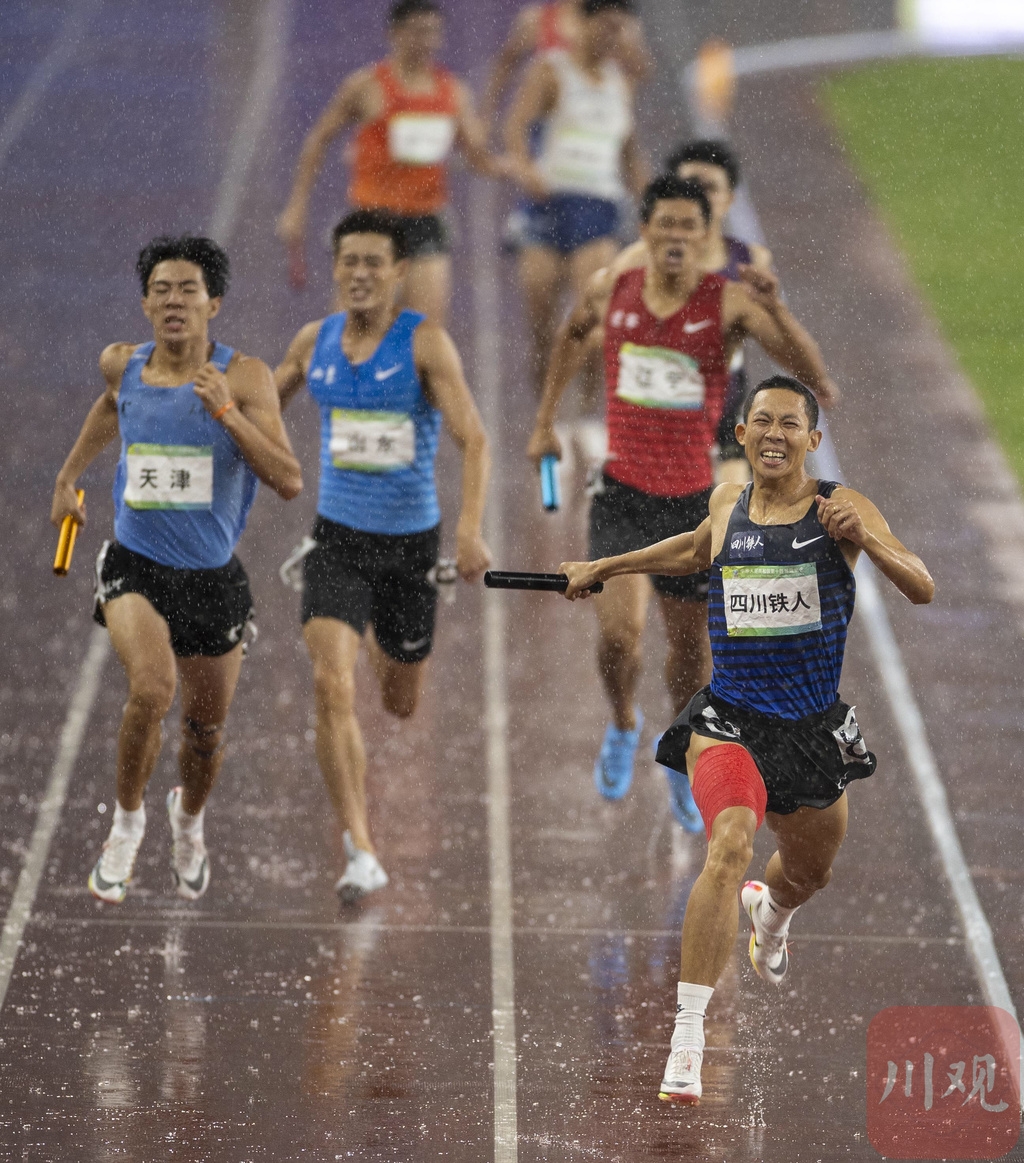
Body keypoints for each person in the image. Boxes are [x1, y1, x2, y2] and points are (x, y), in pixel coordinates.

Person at [558, 375, 934, 1103]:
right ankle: (688, 1038)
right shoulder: (727, 504)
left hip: (810, 732)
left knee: (809, 872)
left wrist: (871, 547)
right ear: (740, 434)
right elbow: (695, 550)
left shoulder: (840, 508)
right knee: (729, 841)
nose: (773, 434)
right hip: (729, 722)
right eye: (761, 421)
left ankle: (774, 913)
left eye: (789, 424)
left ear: (813, 440)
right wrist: (603, 567)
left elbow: (921, 585)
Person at [527, 174, 840, 822]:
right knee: (619, 636)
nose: (674, 237)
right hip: (621, 495)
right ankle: (621, 721)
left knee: (690, 656)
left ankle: (678, 748)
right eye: (663, 224)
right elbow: (572, 333)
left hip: (694, 504)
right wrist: (544, 421)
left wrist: (777, 310)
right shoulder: (612, 287)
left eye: (687, 228)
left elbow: (815, 378)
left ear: (705, 239)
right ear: (645, 231)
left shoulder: (727, 304)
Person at [50, 235, 303, 904]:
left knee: (205, 732)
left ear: (213, 303)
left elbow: (288, 478)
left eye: (187, 289)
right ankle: (126, 827)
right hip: (135, 563)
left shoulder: (244, 377)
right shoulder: (121, 364)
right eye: (160, 289)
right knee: (151, 691)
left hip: (213, 580)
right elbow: (111, 407)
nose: (173, 300)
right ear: (144, 303)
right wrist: (69, 474)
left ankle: (187, 820)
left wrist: (224, 412)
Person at [274, 209, 491, 904]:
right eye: (350, 262)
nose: (361, 274)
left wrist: (470, 529)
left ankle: (375, 635)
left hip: (410, 548)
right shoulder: (315, 343)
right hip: (337, 542)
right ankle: (360, 846)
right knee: (332, 686)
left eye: (376, 263)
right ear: (335, 269)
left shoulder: (424, 345)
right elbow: (260, 406)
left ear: (399, 273)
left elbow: (475, 440)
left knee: (399, 700)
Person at [276, 0, 509, 326]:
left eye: (431, 33)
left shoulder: (453, 93)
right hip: (372, 220)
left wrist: (512, 168)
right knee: (351, 329)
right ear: (394, 34)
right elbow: (319, 140)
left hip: (425, 222)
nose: (425, 41)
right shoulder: (366, 87)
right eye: (416, 32)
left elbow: (476, 156)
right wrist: (297, 206)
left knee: (425, 332)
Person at [504, 0, 648, 399]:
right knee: (541, 318)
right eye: (603, 27)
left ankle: (586, 410)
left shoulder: (621, 84)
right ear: (581, 25)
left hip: (598, 208)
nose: (610, 37)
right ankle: (545, 409)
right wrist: (525, 167)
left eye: (618, 29)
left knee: (596, 320)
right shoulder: (552, 70)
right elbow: (515, 127)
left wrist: (654, 204)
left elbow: (630, 153)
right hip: (548, 204)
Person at [609, 139, 773, 485]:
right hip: (660, 407)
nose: (700, 197)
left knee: (730, 506)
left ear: (729, 199)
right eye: (689, 188)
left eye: (710, 188)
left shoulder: (751, 261)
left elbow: (771, 332)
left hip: (725, 399)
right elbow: (599, 324)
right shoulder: (636, 261)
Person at [481, 0, 653, 130]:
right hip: (546, 121)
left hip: (598, 120)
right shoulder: (537, 20)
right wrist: (488, 112)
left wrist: (625, 42)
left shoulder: (613, 23)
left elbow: (643, 70)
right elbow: (505, 64)